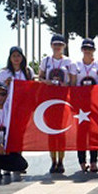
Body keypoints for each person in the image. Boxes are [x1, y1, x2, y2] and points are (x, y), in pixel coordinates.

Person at [40, 34, 75, 174]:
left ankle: (61, 161)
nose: (57, 47)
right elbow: (40, 77)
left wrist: (65, 85)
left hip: (63, 99)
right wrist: (46, 82)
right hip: (49, 99)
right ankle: (52, 160)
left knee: (61, 131)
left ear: (64, 46)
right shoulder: (46, 60)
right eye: (55, 44)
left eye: (60, 44)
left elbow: (72, 82)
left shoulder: (69, 61)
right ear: (51, 45)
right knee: (51, 131)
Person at [74, 38, 98, 173]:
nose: (87, 51)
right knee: (81, 134)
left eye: (90, 49)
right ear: (82, 50)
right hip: (80, 105)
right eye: (85, 48)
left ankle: (94, 161)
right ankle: (82, 161)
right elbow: (73, 84)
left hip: (95, 104)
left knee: (94, 134)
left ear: (94, 50)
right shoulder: (76, 65)